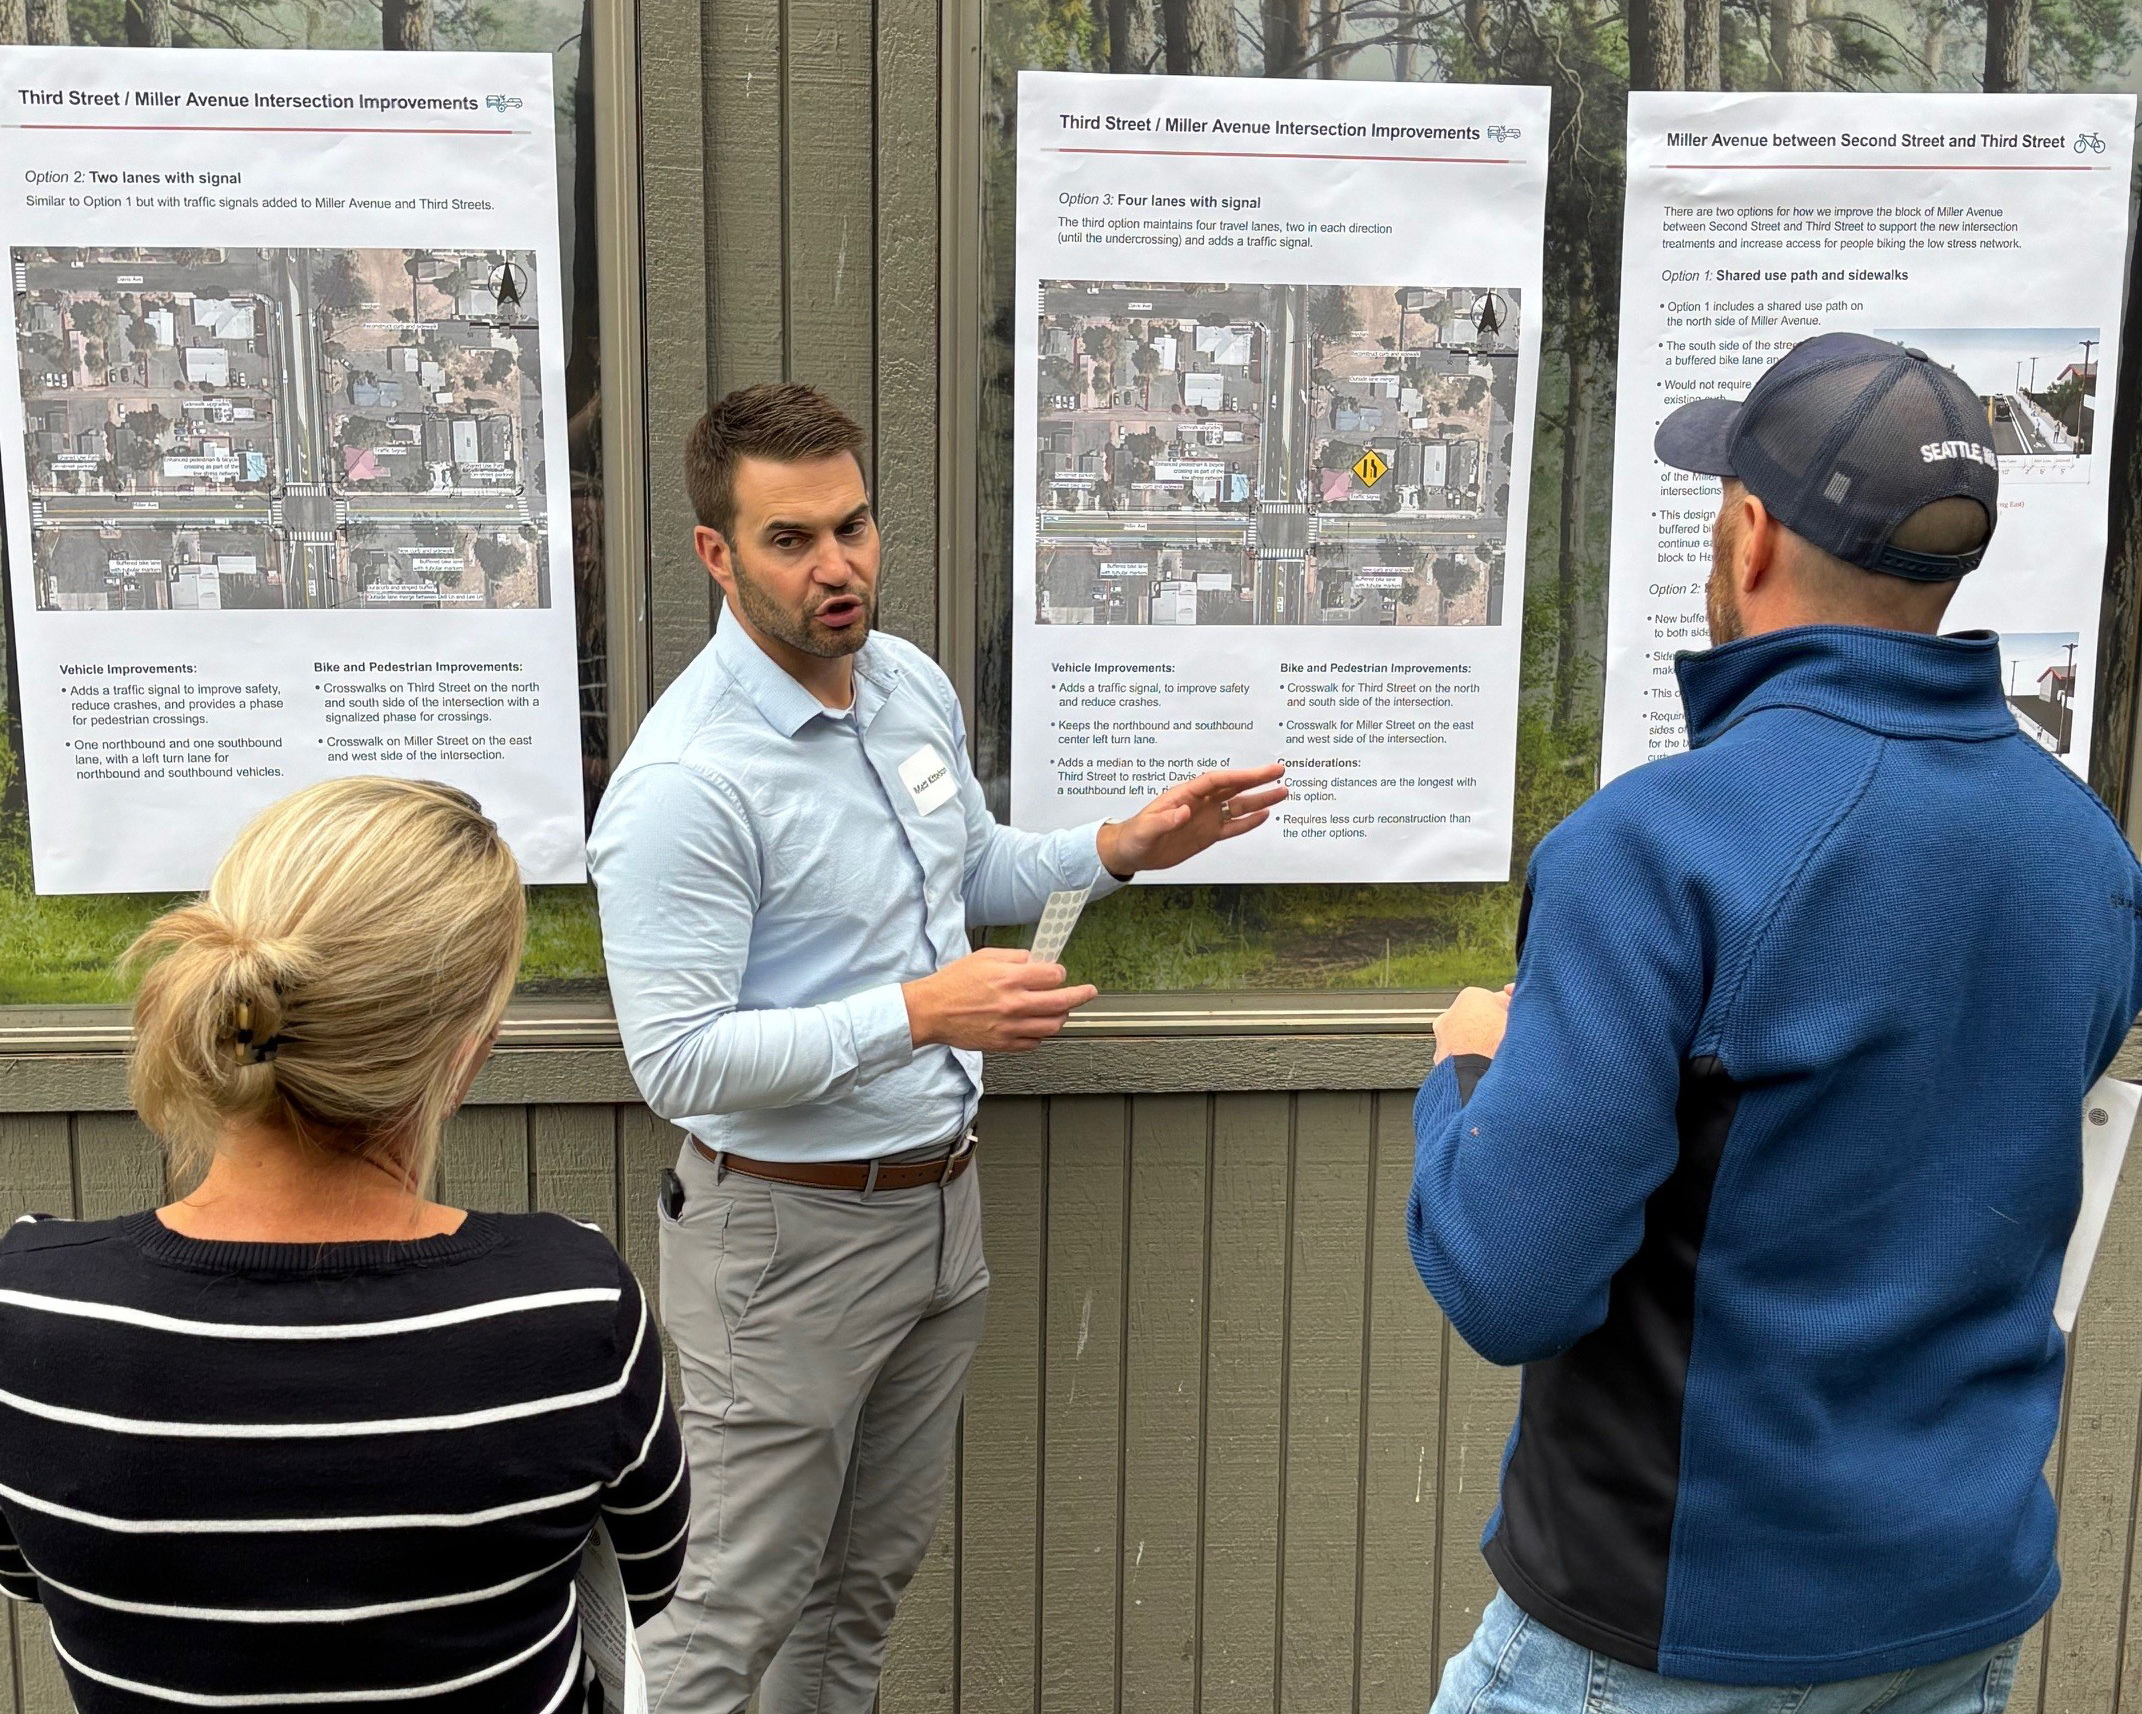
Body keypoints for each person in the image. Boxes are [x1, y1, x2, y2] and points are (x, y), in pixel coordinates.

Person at [1411, 333, 2142, 1713]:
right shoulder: (2086, 856)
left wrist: (1465, 1072)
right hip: (1947, 1616)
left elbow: (1508, 1281)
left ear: (1746, 533)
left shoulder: (1659, 847)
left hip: (1663, 1631)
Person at [587, 381, 1284, 1713]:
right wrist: (919, 1012)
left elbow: (973, 865)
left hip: (934, 1214)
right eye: (791, 539)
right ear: (714, 554)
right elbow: (674, 1063)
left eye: (852, 525)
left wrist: (1116, 850)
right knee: (721, 1617)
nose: (836, 565)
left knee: (859, 1589)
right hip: (779, 1246)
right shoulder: (687, 782)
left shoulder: (904, 686)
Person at [0, 778, 690, 1712]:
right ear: (466, 1055)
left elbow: (33, 1568)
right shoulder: (570, 1310)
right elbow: (645, 1576)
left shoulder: (28, 1314)